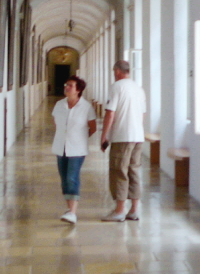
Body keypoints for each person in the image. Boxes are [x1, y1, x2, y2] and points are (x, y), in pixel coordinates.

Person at [100, 59, 147, 221]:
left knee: (118, 170)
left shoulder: (116, 87)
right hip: (137, 136)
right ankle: (134, 210)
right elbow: (142, 114)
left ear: (117, 71)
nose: (114, 75)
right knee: (133, 170)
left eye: (114, 72)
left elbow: (110, 113)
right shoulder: (138, 89)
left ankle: (120, 210)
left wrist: (104, 135)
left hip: (122, 136)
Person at [51, 76, 96, 224]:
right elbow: (56, 123)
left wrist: (80, 138)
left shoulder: (86, 107)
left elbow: (93, 127)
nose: (66, 87)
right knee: (64, 179)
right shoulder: (59, 104)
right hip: (60, 146)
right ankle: (70, 209)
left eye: (70, 85)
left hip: (77, 148)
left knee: (72, 177)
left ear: (78, 90)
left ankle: (72, 212)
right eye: (66, 84)